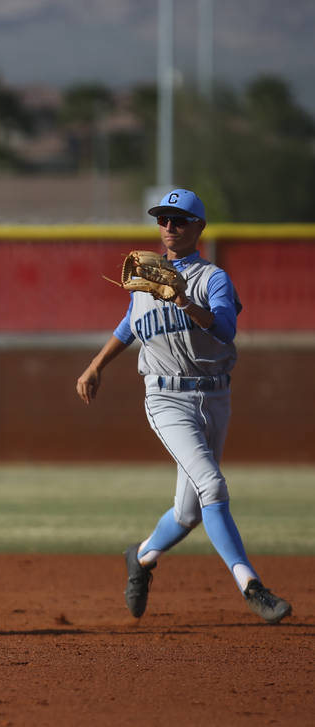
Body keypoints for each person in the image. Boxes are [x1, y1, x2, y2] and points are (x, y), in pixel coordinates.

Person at [75, 188, 291, 624]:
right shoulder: (146, 276)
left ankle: (141, 557)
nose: (169, 227)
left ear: (199, 227)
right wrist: (96, 365)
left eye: (179, 220)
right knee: (212, 487)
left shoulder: (213, 280)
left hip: (215, 397)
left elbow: (226, 330)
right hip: (166, 397)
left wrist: (185, 302)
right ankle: (252, 586)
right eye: (163, 220)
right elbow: (129, 324)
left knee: (189, 511)